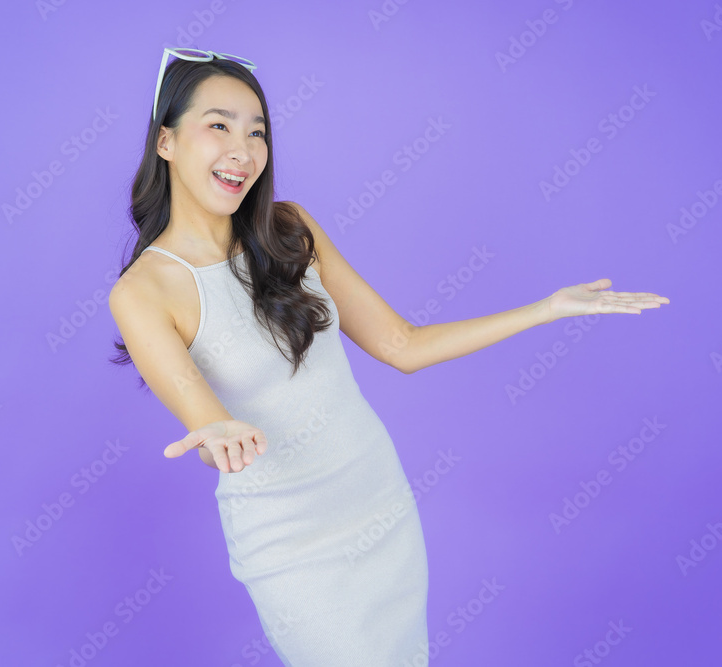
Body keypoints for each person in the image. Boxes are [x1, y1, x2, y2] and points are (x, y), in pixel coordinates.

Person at [107, 48, 669, 667]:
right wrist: (216, 434)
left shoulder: (289, 230)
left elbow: (402, 345)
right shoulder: (142, 292)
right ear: (166, 140)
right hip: (290, 540)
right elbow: (205, 419)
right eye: (219, 125)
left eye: (257, 132)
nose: (243, 150)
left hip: (376, 501)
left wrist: (546, 309)